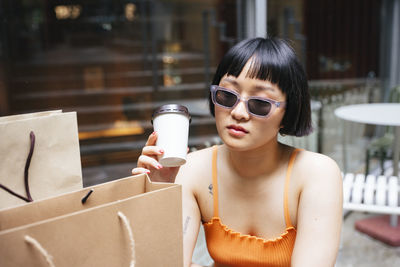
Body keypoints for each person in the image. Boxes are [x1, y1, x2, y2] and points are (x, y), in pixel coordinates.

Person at [132, 36, 343, 267]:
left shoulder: (317, 175)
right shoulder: (190, 170)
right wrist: (160, 194)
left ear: (288, 113)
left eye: (260, 103)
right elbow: (169, 263)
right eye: (227, 96)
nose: (239, 112)